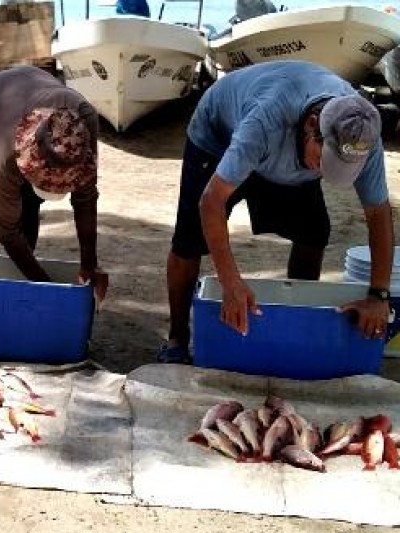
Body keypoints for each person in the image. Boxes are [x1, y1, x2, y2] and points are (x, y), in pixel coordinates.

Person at [159, 60, 394, 364]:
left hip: (286, 156)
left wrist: (379, 295)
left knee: (313, 233)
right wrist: (230, 283)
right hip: (218, 135)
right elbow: (211, 201)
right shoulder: (266, 120)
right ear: (312, 125)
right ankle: (177, 337)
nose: (325, 172)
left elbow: (378, 212)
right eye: (324, 161)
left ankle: (298, 319)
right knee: (189, 241)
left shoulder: (362, 135)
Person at [0, 66, 108, 296]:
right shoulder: (6, 156)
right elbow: (7, 232)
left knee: (30, 204)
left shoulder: (84, 121)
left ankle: (23, 283)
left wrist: (90, 264)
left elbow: (85, 196)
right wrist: (46, 288)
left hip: (31, 91)